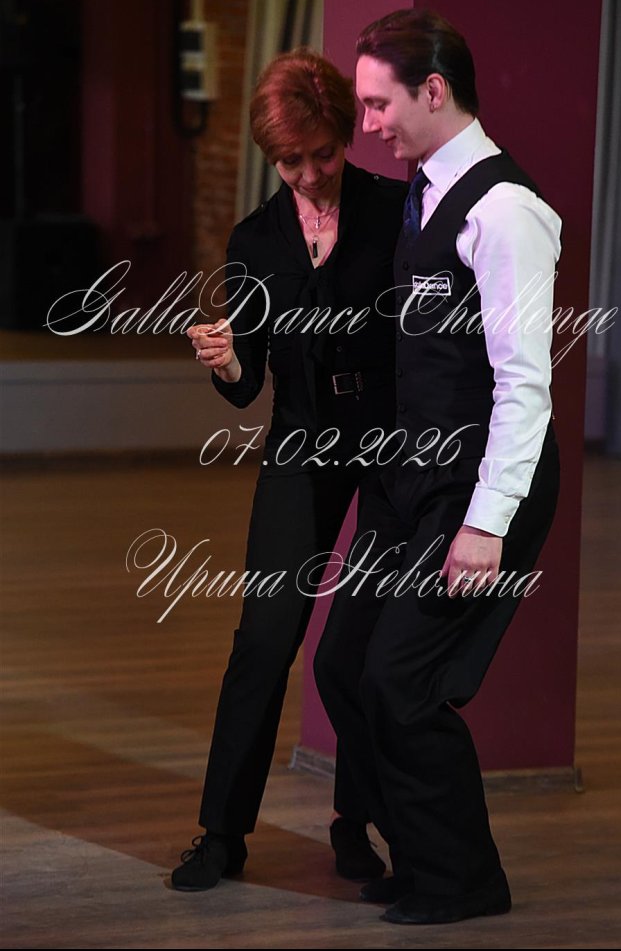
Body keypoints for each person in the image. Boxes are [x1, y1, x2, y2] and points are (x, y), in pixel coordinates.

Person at [314, 9, 562, 925]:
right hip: (410, 474)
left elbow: (525, 384)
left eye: (378, 104)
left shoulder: (506, 212)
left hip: (479, 485)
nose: (367, 123)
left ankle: (463, 881)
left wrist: (486, 522)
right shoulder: (423, 192)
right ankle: (418, 854)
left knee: (402, 681)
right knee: (345, 664)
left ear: (433, 90)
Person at [170, 47, 408, 891]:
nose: (309, 174)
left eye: (323, 154)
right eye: (289, 161)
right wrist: (228, 360)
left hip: (390, 443)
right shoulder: (254, 240)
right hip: (302, 439)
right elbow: (246, 388)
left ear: (346, 136)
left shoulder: (399, 212)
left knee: (362, 649)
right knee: (265, 639)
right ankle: (221, 833)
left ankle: (356, 823)